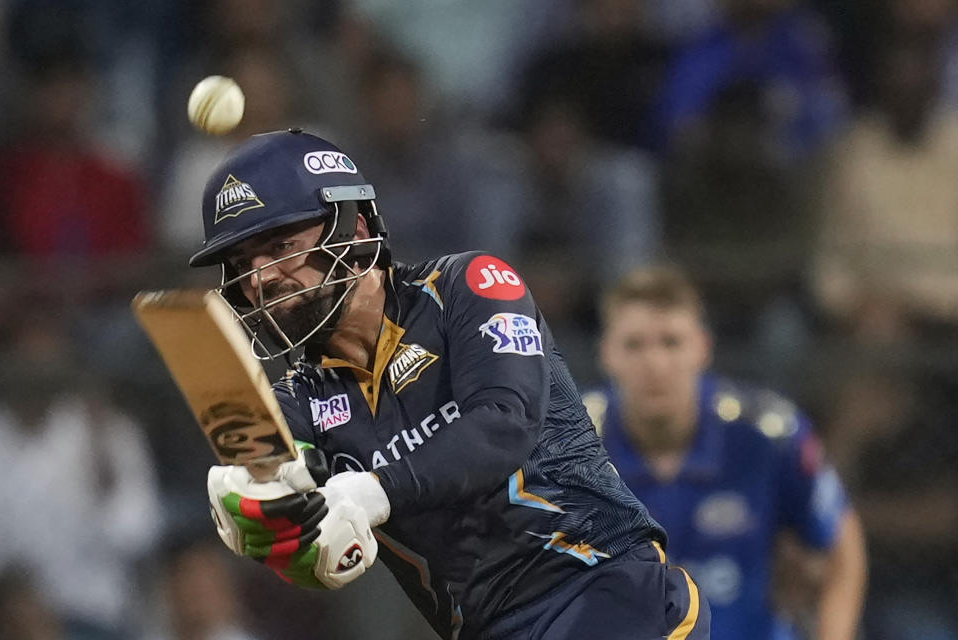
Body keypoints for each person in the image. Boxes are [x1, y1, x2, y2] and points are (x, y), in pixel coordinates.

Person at [189, 129, 710, 640]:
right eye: (242, 265)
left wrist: (374, 491)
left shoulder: (469, 287)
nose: (262, 280)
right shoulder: (298, 402)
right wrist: (269, 516)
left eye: (282, 245)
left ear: (354, 228)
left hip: (606, 588)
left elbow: (505, 423)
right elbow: (313, 546)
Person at [584, 266, 866, 640]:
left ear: (702, 347)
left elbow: (840, 545)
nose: (655, 364)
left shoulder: (767, 435)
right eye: (634, 345)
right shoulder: (569, 447)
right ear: (607, 354)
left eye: (671, 342)